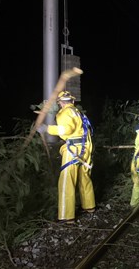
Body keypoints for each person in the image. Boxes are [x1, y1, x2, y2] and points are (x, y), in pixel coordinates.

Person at [37, 90, 95, 224]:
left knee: (66, 180)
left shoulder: (65, 113)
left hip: (73, 150)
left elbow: (66, 130)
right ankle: (89, 206)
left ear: (60, 103)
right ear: (72, 101)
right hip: (85, 147)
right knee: (84, 178)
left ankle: (66, 216)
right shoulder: (78, 112)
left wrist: (47, 129)